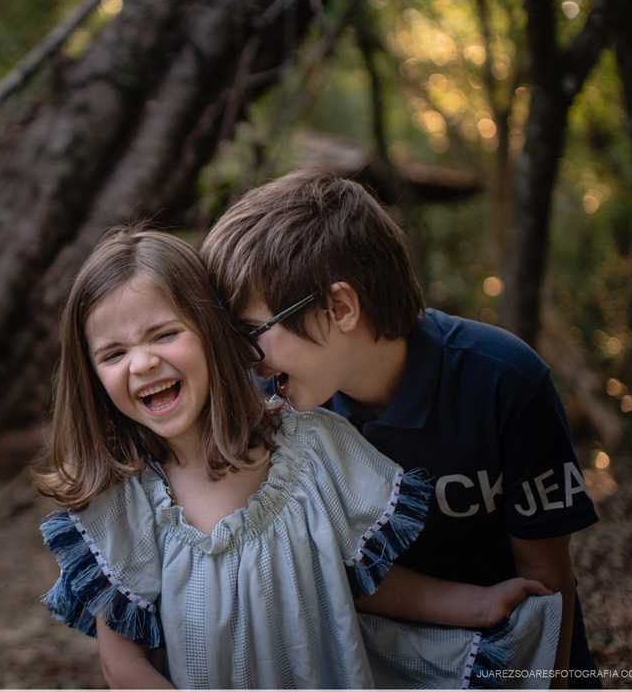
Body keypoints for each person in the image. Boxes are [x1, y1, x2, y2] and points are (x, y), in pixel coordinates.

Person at [36, 225, 561, 689]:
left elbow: (354, 577)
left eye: (165, 334)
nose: (142, 363)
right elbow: (121, 666)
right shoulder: (121, 503)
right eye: (113, 353)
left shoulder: (313, 450)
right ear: (92, 376)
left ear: (216, 334)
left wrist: (474, 603)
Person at [200, 167, 599, 689]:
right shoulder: (277, 412)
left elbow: (545, 583)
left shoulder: (503, 382)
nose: (244, 358)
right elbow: (320, 572)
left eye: (252, 332)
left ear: (339, 308)